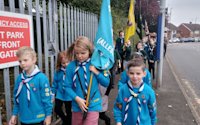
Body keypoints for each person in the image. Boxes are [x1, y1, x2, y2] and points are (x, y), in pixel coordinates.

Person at [64, 36, 110, 125]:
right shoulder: (71, 66)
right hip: (77, 106)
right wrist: (76, 98)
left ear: (89, 51)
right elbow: (66, 86)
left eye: (83, 53)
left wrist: (96, 72)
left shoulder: (96, 64)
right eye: (77, 53)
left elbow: (106, 82)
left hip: (93, 105)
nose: (79, 56)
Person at [9, 46, 53, 125]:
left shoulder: (41, 78)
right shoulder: (20, 79)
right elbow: (16, 98)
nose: (22, 63)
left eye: (25, 60)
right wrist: (14, 114)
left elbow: (47, 99)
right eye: (20, 61)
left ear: (34, 60)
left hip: (39, 118)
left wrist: (48, 116)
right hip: (24, 119)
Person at [113, 59, 157, 125]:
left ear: (144, 74)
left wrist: (153, 123)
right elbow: (118, 107)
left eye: (138, 73)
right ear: (127, 73)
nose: (135, 76)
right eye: (131, 73)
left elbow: (152, 110)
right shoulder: (123, 90)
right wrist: (118, 120)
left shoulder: (149, 92)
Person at [51, 51, 72, 125]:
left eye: (67, 62)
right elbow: (55, 83)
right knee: (57, 109)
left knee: (69, 111)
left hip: (69, 95)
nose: (66, 64)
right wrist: (53, 94)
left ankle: (68, 122)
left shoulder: (72, 71)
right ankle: (65, 120)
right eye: (63, 63)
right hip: (60, 94)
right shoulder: (58, 72)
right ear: (60, 63)